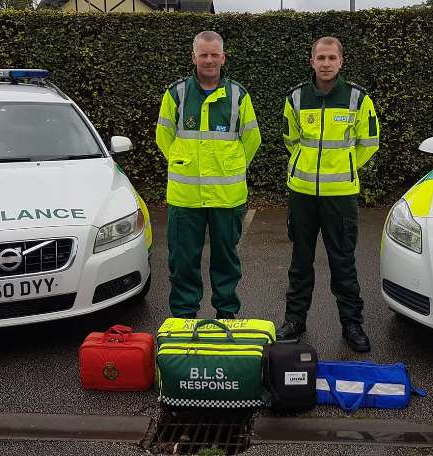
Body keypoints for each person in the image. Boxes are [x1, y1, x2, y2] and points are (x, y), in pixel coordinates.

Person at [276, 36, 380, 352]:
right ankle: (295, 319)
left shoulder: (358, 99)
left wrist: (345, 167)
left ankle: (352, 323)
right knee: (300, 261)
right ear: (312, 62)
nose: (325, 63)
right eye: (320, 58)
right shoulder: (295, 97)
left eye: (331, 58)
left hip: (341, 195)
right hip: (302, 193)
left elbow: (369, 142)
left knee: (343, 262)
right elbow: (290, 139)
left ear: (340, 62)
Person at [155, 31, 261, 319]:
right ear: (194, 57)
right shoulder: (175, 93)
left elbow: (251, 140)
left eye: (214, 54)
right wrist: (184, 163)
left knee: (226, 261)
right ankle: (184, 318)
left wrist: (231, 167)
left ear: (223, 57)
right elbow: (163, 137)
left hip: (227, 198)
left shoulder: (239, 95)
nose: (209, 60)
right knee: (182, 262)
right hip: (185, 197)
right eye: (203, 54)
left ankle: (226, 316)